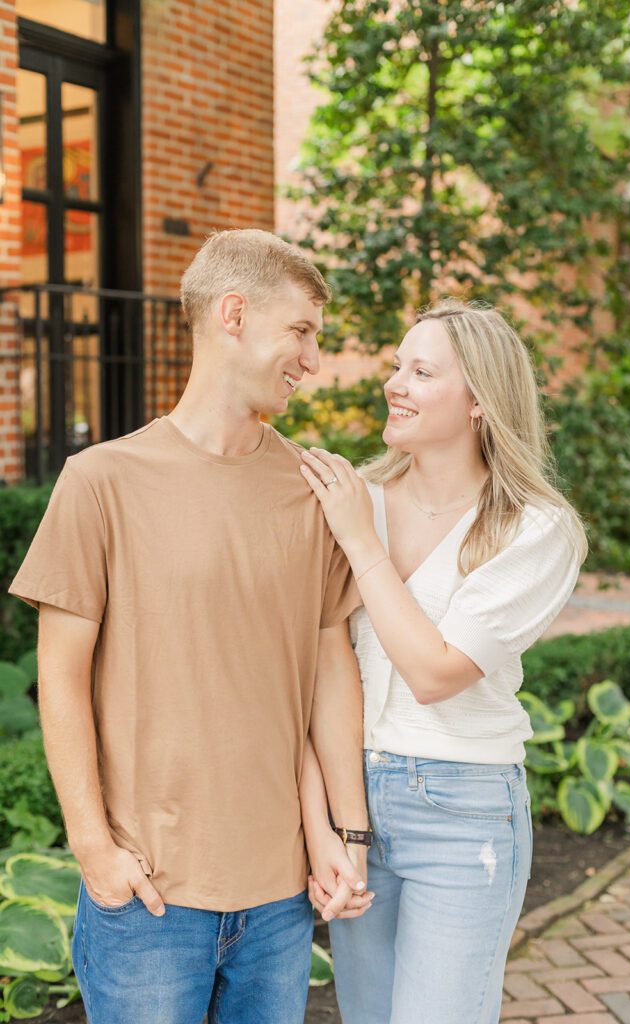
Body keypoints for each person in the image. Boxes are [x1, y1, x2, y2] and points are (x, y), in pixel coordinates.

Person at [9, 229, 372, 1024]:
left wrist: (346, 835)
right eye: (302, 331)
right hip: (149, 898)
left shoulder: (311, 491)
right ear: (233, 314)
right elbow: (61, 679)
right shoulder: (101, 480)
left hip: (279, 899)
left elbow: (328, 669)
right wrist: (93, 848)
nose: (312, 360)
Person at [299, 298, 588, 1024]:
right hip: (352, 792)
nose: (393, 383)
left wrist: (362, 544)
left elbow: (434, 673)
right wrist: (331, 824)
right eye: (396, 366)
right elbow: (304, 674)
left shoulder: (535, 529)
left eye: (421, 371)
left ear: (479, 404)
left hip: (464, 811)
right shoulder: (351, 497)